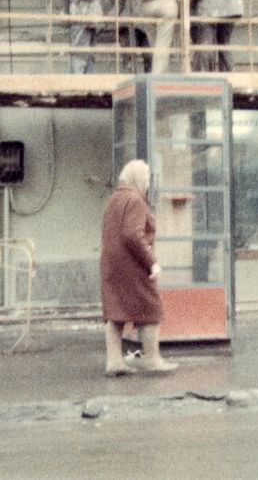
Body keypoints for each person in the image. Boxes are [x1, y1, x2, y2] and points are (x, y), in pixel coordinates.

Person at [100, 159, 178, 375]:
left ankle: (114, 362)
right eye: (145, 178)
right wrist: (151, 261)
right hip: (132, 265)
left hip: (112, 265)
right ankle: (152, 359)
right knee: (151, 309)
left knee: (116, 312)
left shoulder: (114, 199)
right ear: (136, 178)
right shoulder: (135, 200)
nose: (147, 183)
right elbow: (132, 234)